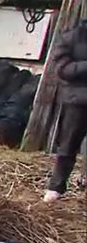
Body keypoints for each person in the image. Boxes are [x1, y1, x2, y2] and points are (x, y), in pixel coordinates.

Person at [44, 18, 87, 202]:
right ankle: (56, 188)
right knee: (68, 146)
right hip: (77, 101)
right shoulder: (71, 38)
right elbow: (62, 69)